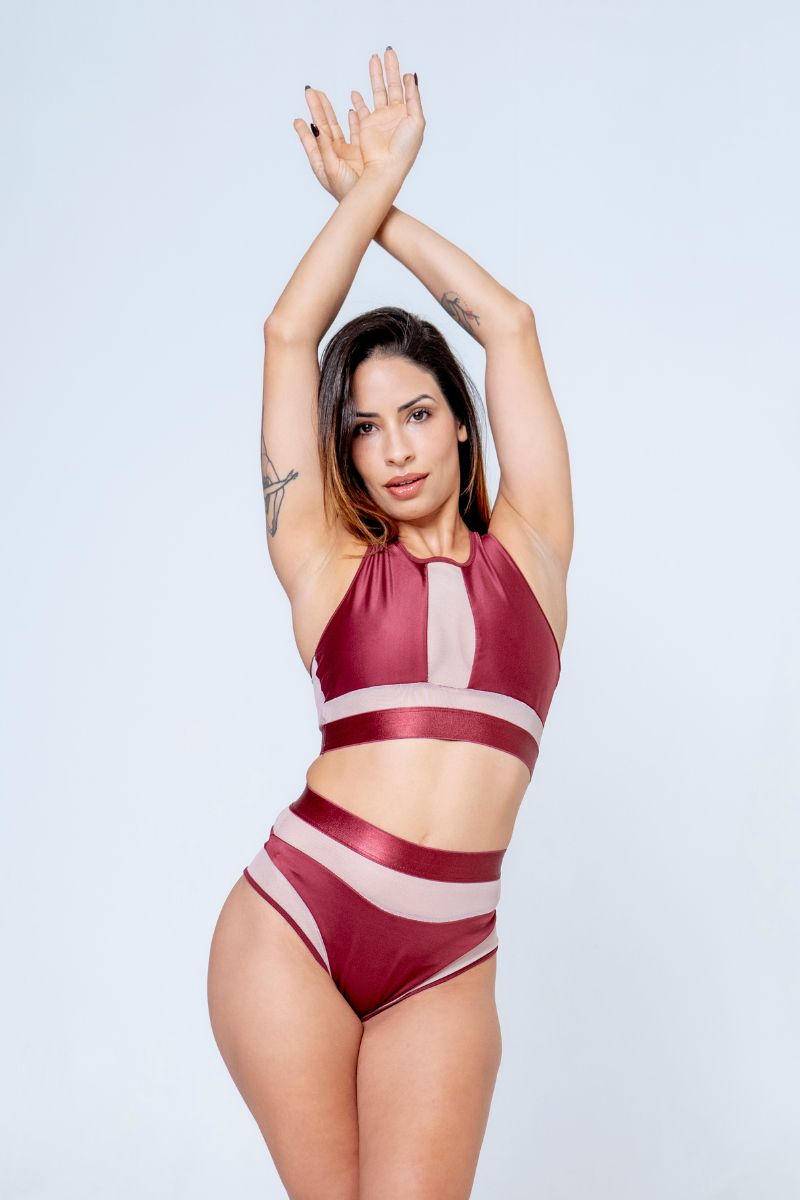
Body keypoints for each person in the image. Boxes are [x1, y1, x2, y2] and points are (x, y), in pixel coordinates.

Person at [207, 46, 573, 1200]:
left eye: (416, 414)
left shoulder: (532, 553)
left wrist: (389, 204)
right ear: (346, 453)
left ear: (460, 422)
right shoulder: (322, 565)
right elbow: (287, 335)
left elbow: (508, 324)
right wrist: (362, 190)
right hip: (293, 927)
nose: (395, 449)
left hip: (447, 960)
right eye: (364, 429)